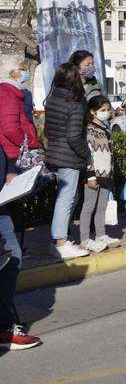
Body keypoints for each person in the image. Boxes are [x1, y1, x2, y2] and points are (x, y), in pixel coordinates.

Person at [0, 54, 42, 350]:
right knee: (9, 257)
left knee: (10, 256)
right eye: (21, 69)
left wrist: (9, 172)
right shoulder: (7, 94)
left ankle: (5, 325)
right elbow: (10, 129)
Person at [43, 62, 91, 260]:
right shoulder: (75, 103)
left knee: (65, 197)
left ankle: (57, 242)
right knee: (67, 198)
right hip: (69, 156)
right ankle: (61, 243)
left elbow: (48, 130)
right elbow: (74, 137)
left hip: (55, 154)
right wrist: (87, 154)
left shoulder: (52, 99)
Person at [80, 96, 120, 253]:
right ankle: (84, 239)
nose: (106, 112)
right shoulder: (89, 129)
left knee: (102, 207)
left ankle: (101, 235)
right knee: (88, 207)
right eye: (102, 110)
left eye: (108, 109)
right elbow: (88, 154)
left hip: (106, 174)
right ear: (92, 111)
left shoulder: (106, 128)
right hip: (93, 175)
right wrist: (90, 175)